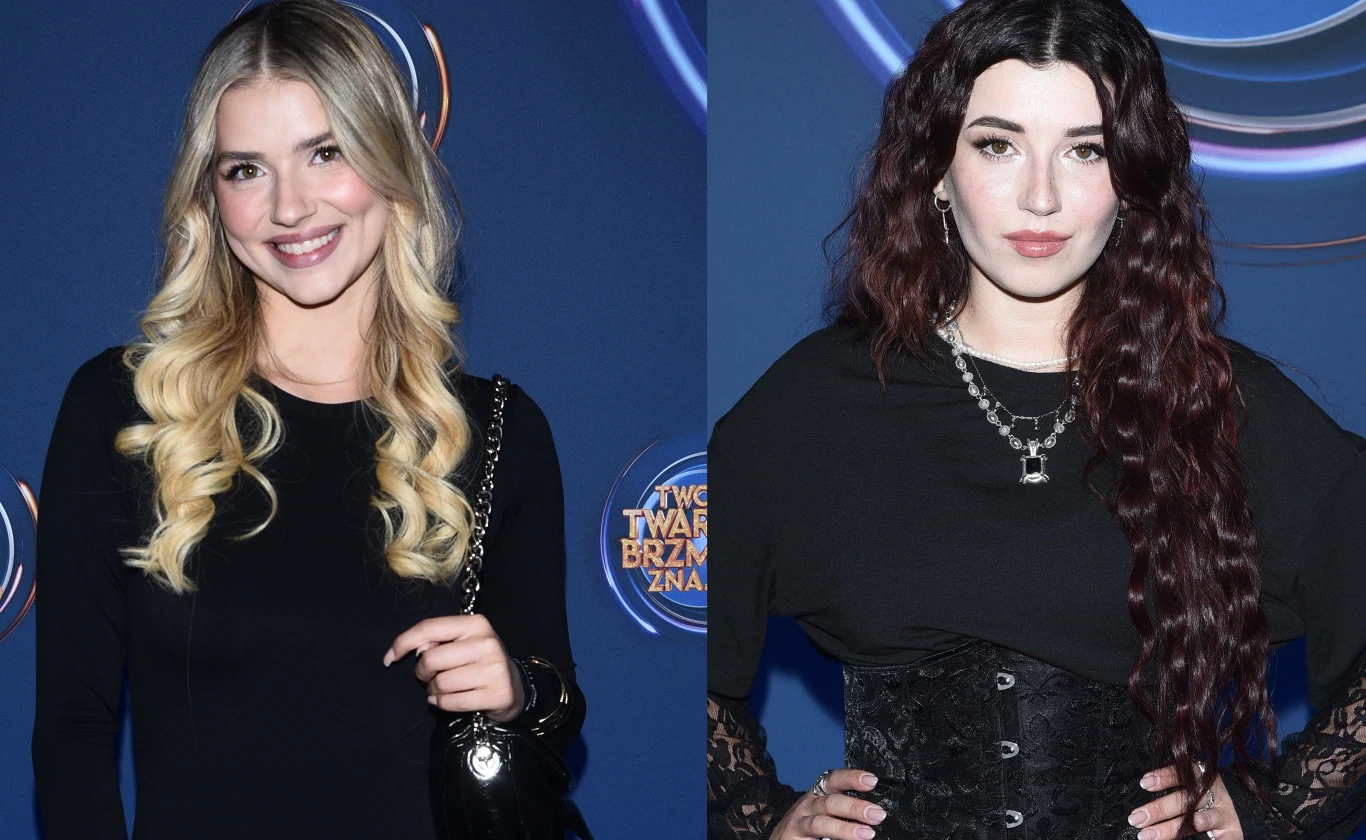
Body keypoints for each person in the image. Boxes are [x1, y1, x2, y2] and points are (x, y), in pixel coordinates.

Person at [706, 1, 1366, 839]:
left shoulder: (1219, 407)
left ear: (1132, 179)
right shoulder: (817, 402)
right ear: (936, 169)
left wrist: (1274, 806)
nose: (1042, 197)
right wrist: (760, 815)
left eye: (1086, 150)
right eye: (998, 144)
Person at [30, 2, 583, 838]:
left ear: (389, 159)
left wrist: (516, 687)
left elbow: (557, 706)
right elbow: (73, 731)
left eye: (326, 153)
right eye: (247, 170)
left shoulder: (493, 431)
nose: (290, 207)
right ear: (210, 195)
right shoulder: (126, 410)